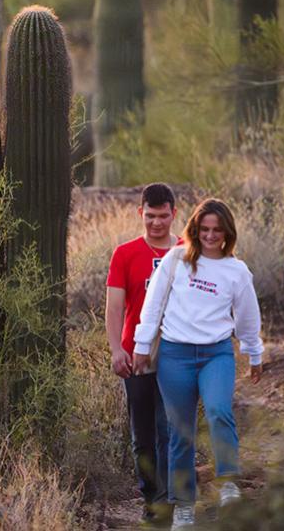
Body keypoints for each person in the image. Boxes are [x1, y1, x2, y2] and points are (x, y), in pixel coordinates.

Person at [132, 198, 264, 530]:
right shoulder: (176, 259)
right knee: (180, 433)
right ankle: (184, 507)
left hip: (215, 354)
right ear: (194, 229)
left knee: (219, 411)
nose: (209, 235)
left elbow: (247, 317)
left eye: (217, 230)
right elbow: (153, 303)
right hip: (175, 356)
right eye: (204, 229)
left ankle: (229, 483)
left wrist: (254, 353)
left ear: (227, 233)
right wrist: (142, 345)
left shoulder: (236, 271)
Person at [104, 183, 182, 523]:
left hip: (178, 353)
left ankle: (168, 501)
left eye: (163, 216)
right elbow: (114, 307)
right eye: (150, 216)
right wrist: (116, 349)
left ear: (173, 214)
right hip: (137, 354)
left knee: (170, 431)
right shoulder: (125, 254)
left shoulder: (186, 251)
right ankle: (151, 498)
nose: (156, 223)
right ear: (141, 213)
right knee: (142, 435)